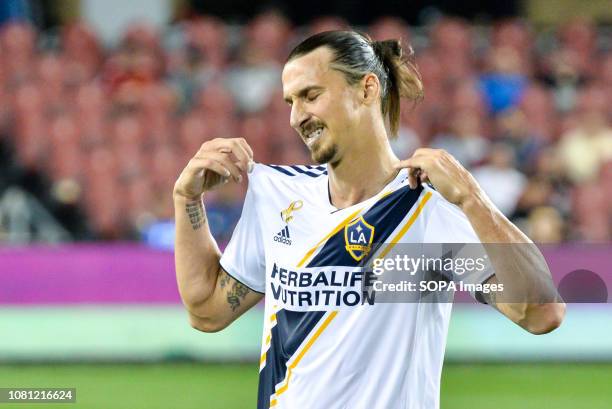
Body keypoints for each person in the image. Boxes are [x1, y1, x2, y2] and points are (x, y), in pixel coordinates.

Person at [173, 31, 565, 409]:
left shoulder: (427, 211)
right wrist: (187, 198)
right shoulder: (278, 197)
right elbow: (207, 311)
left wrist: (472, 197)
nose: (296, 117)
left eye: (311, 95)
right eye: (290, 101)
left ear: (367, 89)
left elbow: (540, 313)